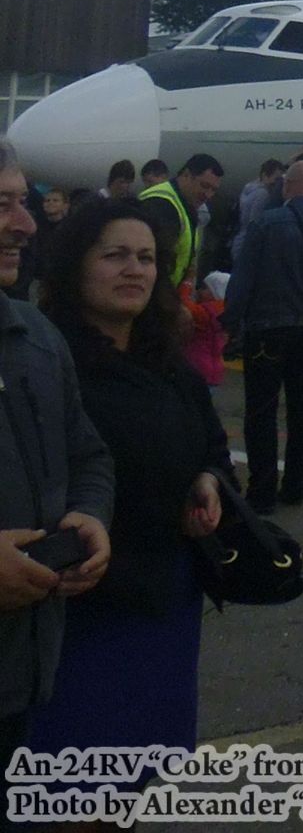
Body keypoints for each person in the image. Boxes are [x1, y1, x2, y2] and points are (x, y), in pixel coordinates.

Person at [29, 195, 236, 775]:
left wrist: (209, 480)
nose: (134, 270)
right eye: (115, 255)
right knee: (71, 789)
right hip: (82, 614)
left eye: (146, 258)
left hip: (165, 602)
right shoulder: (47, 360)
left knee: (136, 779)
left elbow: (213, 447)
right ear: (75, 266)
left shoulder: (169, 364)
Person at [0, 139, 115, 795]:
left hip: (23, 678)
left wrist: (92, 512)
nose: (26, 223)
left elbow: (88, 455)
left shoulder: (36, 338)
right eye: (2, 204)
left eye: (23, 202)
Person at [225, 158, 303, 511]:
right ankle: (296, 485)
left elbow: (243, 280)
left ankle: (262, 490)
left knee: (261, 413)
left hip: (267, 329)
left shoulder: (265, 225)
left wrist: (231, 322)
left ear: (287, 185)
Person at [137, 152, 223, 290]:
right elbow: (157, 264)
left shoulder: (184, 205)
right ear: (186, 175)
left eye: (213, 190)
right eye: (204, 186)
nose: (208, 195)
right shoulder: (163, 206)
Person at [232, 160, 284, 264]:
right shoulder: (263, 195)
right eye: (276, 179)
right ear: (265, 175)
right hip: (248, 244)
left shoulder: (249, 189)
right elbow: (255, 221)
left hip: (240, 240)